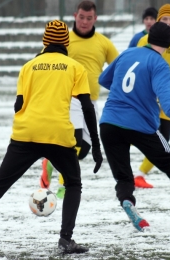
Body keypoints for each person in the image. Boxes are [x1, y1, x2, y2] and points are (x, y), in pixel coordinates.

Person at [0, 20, 103, 254]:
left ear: (44, 40)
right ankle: (65, 239)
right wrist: (95, 143)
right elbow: (87, 107)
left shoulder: (29, 66)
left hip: (26, 133)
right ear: (66, 42)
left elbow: (18, 104)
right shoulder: (75, 67)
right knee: (73, 183)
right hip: (58, 134)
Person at [99, 22, 170, 231]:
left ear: (149, 38)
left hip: (109, 123)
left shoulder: (128, 53)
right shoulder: (159, 64)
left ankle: (127, 201)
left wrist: (125, 93)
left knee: (123, 175)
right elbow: (165, 96)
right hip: (140, 125)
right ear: (169, 44)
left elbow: (104, 79)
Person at [39, 0, 119, 197]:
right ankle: (63, 185)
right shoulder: (64, 40)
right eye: (81, 17)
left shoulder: (103, 42)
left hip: (91, 101)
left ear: (95, 19)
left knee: (84, 150)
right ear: (75, 16)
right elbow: (42, 60)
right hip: (70, 98)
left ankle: (49, 161)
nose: (84, 22)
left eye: (89, 18)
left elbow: (119, 66)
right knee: (73, 143)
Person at [136, 3, 170, 188]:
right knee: (141, 136)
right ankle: (129, 174)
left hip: (167, 98)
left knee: (163, 139)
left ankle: (140, 175)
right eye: (164, 19)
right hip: (146, 98)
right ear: (158, 21)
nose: (167, 22)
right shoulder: (144, 41)